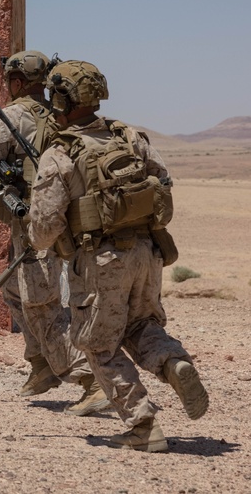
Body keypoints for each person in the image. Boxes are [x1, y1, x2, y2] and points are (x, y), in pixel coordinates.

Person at [27, 60, 208, 452]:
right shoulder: (128, 137)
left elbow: (42, 231)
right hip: (147, 251)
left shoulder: (61, 153)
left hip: (101, 263)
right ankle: (173, 362)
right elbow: (162, 178)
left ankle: (142, 426)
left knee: (97, 344)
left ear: (61, 97)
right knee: (140, 324)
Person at [0, 51, 108, 416]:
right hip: (70, 218)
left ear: (15, 83)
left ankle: (90, 379)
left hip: (36, 221)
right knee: (15, 292)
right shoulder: (61, 114)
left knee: (40, 301)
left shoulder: (13, 115)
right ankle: (41, 363)